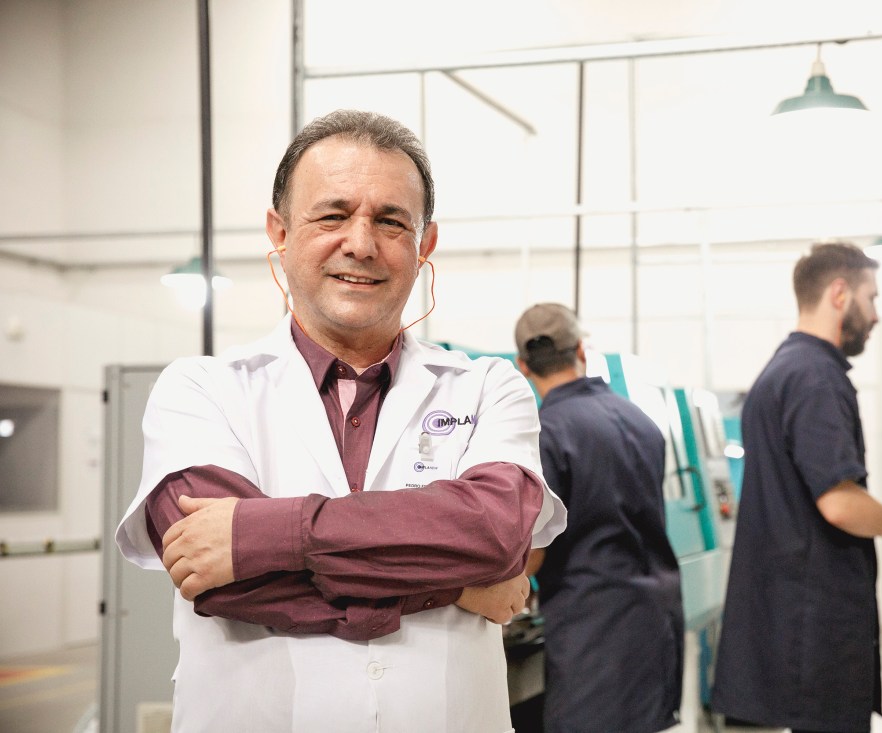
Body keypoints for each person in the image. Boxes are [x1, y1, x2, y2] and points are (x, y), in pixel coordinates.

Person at [114, 109, 567, 733]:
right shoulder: (200, 390)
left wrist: (271, 536)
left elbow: (495, 534)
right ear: (279, 231)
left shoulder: (489, 387)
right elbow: (219, 582)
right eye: (332, 215)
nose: (361, 244)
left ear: (424, 245)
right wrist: (455, 587)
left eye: (391, 221)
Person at [710, 241, 882, 733]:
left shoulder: (783, 370)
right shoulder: (816, 377)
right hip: (815, 624)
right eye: (872, 297)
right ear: (840, 293)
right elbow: (840, 504)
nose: (876, 315)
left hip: (789, 618)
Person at [513, 303, 685, 733]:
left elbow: (534, 552)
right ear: (580, 351)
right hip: (657, 617)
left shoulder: (546, 432)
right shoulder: (640, 420)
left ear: (522, 366)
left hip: (594, 631)